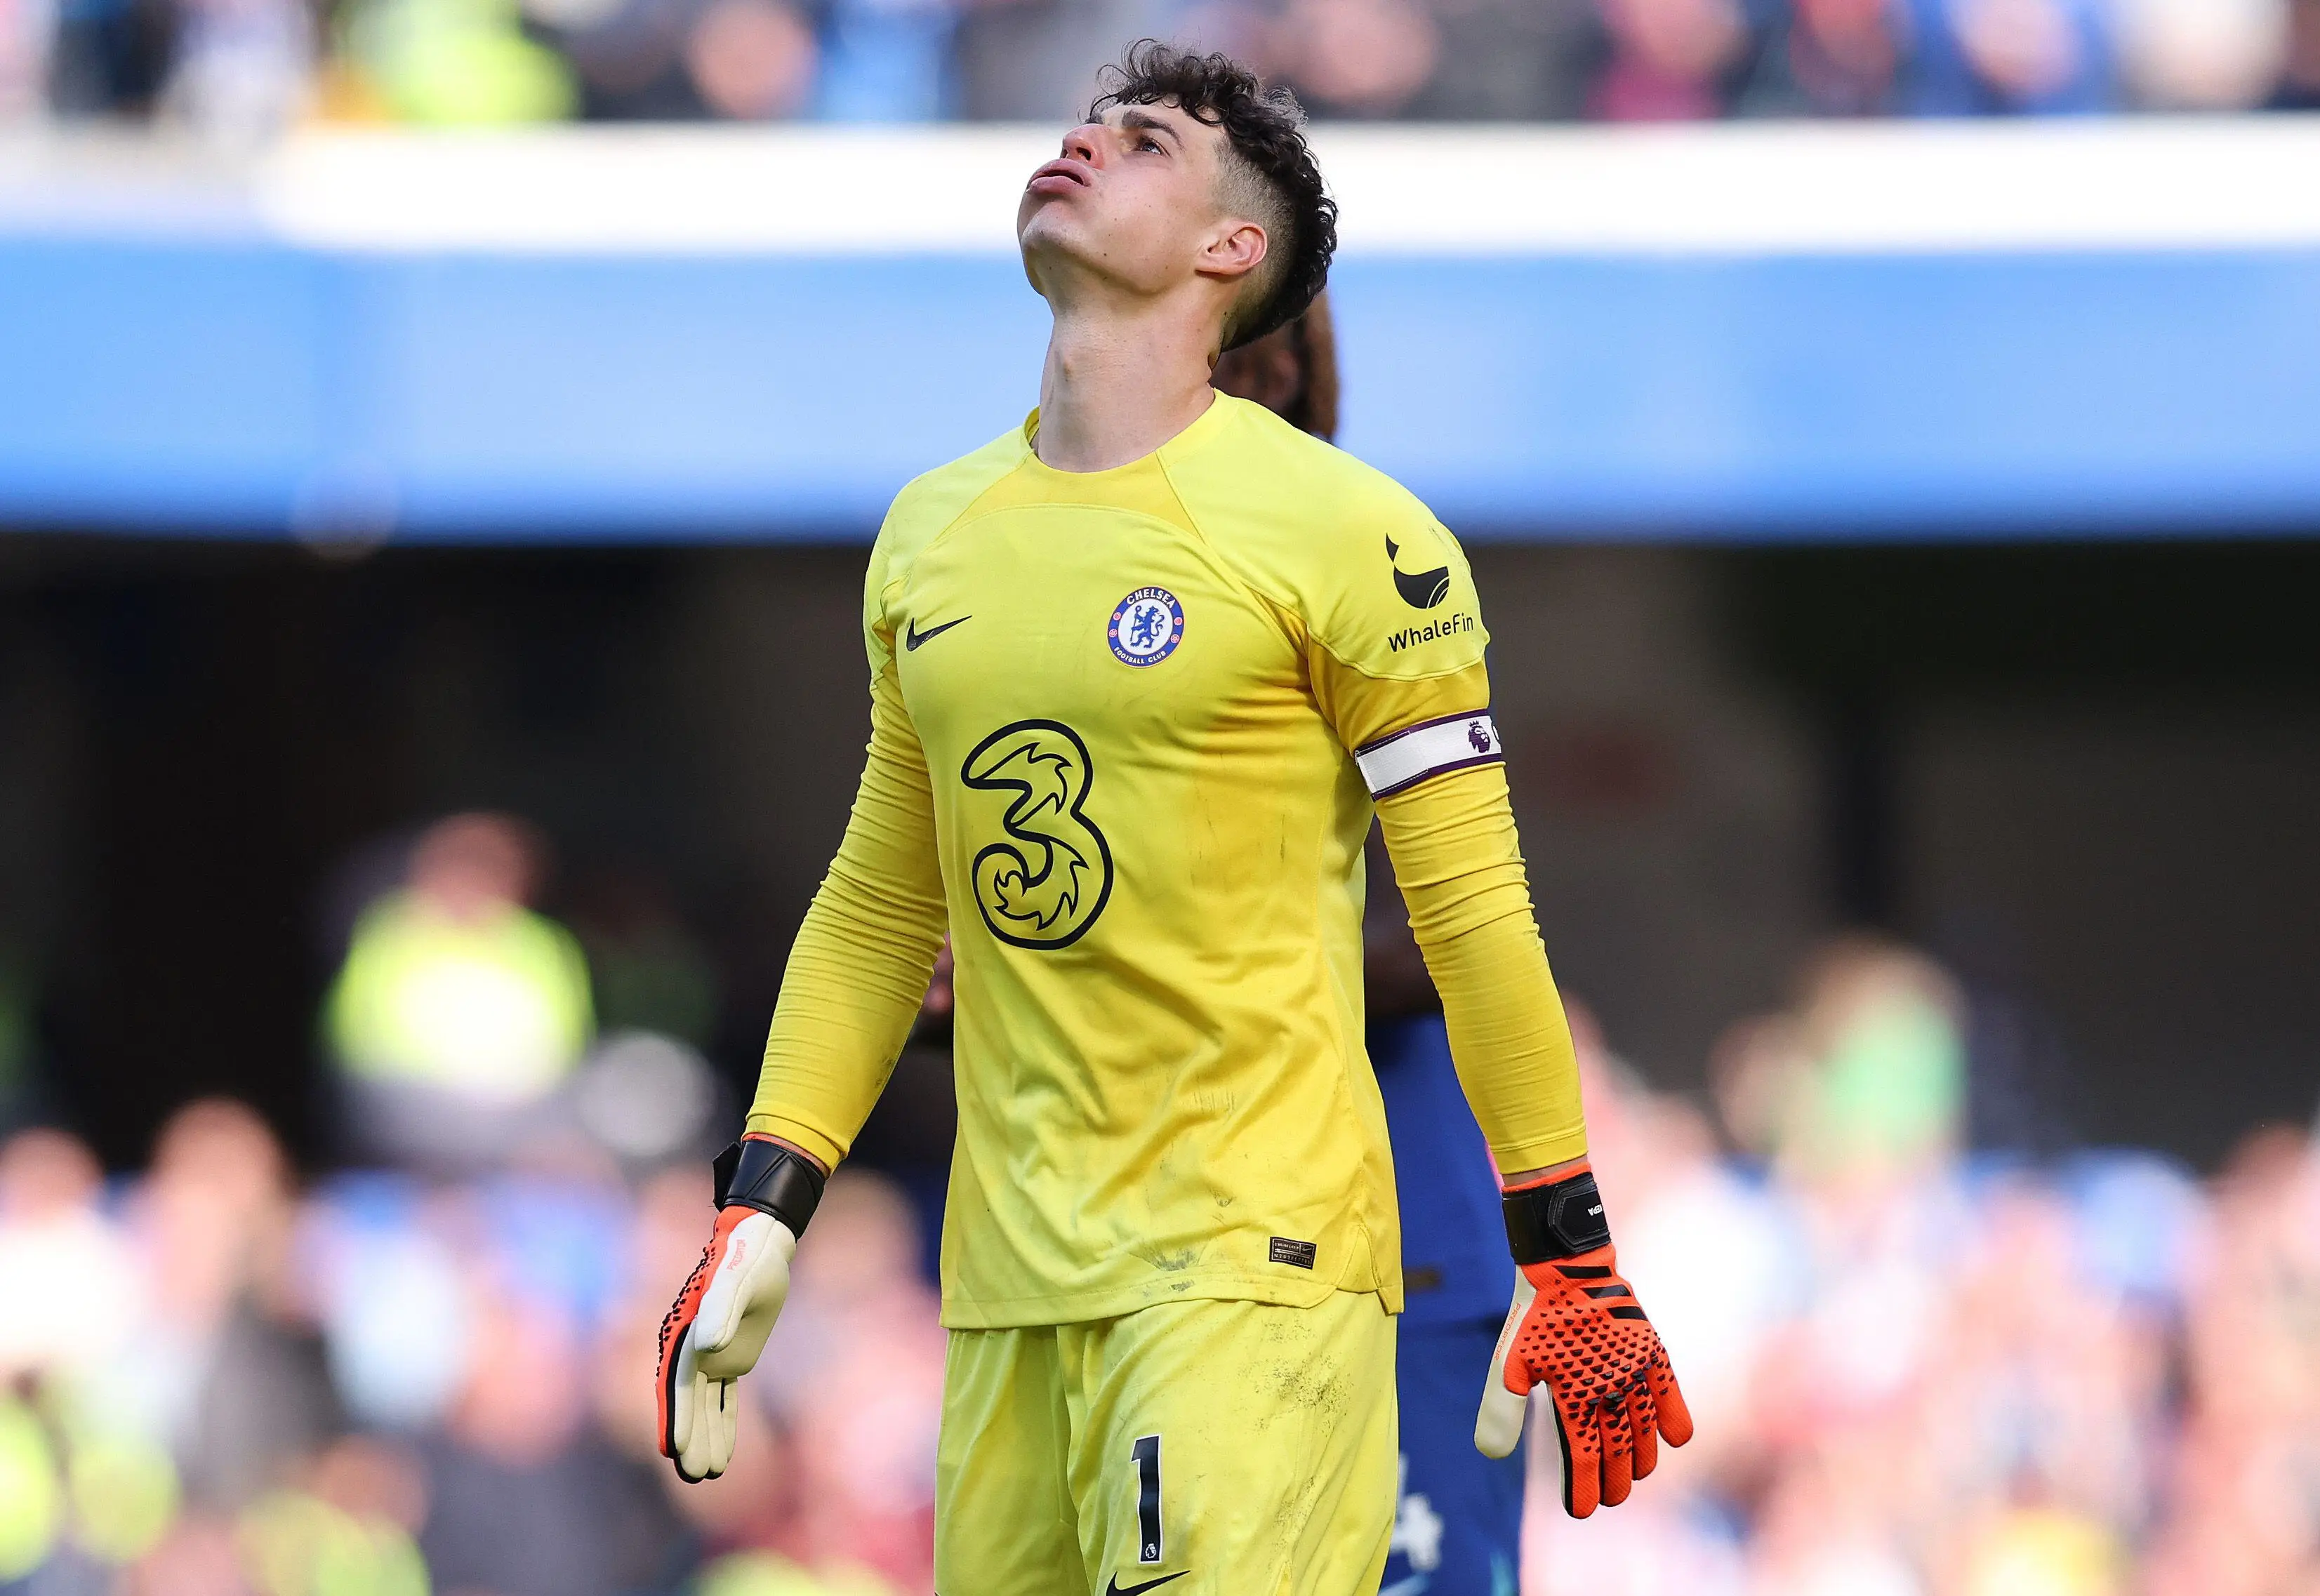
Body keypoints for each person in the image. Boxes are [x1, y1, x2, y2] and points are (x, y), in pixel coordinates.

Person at [656, 42, 1691, 1596]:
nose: (1085, 142)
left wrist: (1571, 1245)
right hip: (1007, 1291)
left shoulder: (1354, 535)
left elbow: (1476, 918)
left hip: (1248, 1272)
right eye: (1090, 122)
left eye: (1144, 142)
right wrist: (762, 1201)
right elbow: (876, 907)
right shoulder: (930, 533)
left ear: (1231, 249)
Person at [1212, 298, 1526, 1595]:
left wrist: (1183, 958)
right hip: (1196, 1249)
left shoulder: (1363, 576)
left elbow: (1452, 929)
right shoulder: (1091, 593)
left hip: (1408, 1241)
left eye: (1262, 359)